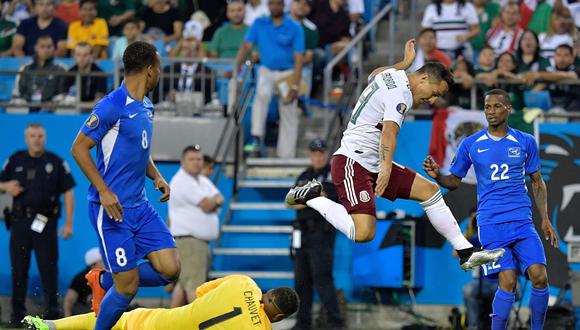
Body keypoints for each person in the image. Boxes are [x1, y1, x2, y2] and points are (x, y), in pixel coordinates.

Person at [286, 39, 504, 272]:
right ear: (422, 79)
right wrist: (386, 167)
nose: (431, 100)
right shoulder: (401, 94)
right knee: (363, 233)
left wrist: (405, 63)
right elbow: (389, 132)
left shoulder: (394, 75)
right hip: (353, 161)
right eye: (433, 93)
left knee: (429, 191)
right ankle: (312, 197)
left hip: (372, 160)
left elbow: (374, 74)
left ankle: (465, 252)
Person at [423, 88, 559, 330]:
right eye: (487, 107)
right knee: (508, 282)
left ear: (508, 108)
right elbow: (454, 181)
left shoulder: (525, 141)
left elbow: (537, 181)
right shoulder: (471, 144)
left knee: (540, 277)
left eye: (497, 106)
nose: (491, 111)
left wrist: (546, 218)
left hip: (522, 222)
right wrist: (439, 176)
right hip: (492, 224)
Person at [70, 41, 180, 330]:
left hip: (140, 207)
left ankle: (104, 279)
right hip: (112, 210)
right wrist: (104, 191)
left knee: (171, 270)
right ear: (149, 70)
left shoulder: (147, 106)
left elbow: (139, 150)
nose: (159, 74)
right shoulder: (111, 106)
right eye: (158, 68)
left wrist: (156, 175)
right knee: (128, 286)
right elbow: (79, 148)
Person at [0, 123, 75, 326]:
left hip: (46, 223)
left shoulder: (56, 162)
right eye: (32, 135)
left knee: (49, 270)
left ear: (45, 137)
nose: (36, 139)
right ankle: (17, 317)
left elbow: (68, 192)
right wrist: (5, 186)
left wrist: (68, 223)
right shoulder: (15, 160)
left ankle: (53, 316)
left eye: (40, 135)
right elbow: (0, 184)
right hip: (20, 223)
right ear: (26, 138)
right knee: (19, 270)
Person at [24, 274, 299, 330]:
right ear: (277, 318)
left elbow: (202, 291)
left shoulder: (244, 283)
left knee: (115, 320)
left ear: (269, 293)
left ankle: (49, 326)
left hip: (160, 322)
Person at [235, 0, 304, 158]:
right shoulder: (259, 23)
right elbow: (246, 45)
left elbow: (299, 57)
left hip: (287, 72)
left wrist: (295, 85)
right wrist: (235, 67)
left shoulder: (294, 26)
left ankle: (286, 155)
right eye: (272, 3)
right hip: (266, 70)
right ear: (268, 6)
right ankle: (256, 137)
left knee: (289, 112)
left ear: (283, 6)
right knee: (262, 94)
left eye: (278, 4)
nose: (275, 6)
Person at [287, 139, 344, 330]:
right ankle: (303, 323)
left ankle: (335, 323)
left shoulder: (332, 175)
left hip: (321, 234)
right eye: (314, 153)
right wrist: (311, 198)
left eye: (321, 153)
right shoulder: (305, 175)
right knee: (302, 281)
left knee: (323, 280)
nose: (317, 157)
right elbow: (289, 202)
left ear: (326, 154)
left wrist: (303, 198)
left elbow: (325, 197)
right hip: (302, 233)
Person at [168, 145, 224, 307]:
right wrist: (214, 202)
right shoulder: (182, 180)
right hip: (190, 242)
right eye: (191, 159)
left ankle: (172, 324)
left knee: (182, 286)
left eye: (199, 159)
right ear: (182, 162)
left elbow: (219, 198)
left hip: (196, 242)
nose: (196, 163)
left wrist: (215, 201)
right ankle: (203, 324)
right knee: (195, 289)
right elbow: (208, 204)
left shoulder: (202, 180)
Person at [459, 208, 498, 330]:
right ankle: (474, 327)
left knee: (506, 293)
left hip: (500, 281)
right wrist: (471, 229)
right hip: (480, 283)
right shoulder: (474, 237)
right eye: (475, 218)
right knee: (467, 290)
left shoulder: (495, 233)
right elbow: (457, 253)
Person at [14, 35, 66, 112]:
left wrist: (53, 102)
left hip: (51, 107)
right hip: (27, 105)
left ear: (53, 48)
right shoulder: (25, 68)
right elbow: (18, 91)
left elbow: (63, 92)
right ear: (36, 48)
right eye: (42, 46)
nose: (46, 50)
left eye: (49, 47)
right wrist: (27, 102)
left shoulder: (61, 68)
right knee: (14, 107)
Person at [522, 43, 580, 111]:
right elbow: (533, 93)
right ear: (554, 57)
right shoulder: (548, 71)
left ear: (572, 58)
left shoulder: (577, 70)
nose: (562, 59)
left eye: (566, 55)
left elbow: (570, 76)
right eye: (559, 55)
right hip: (550, 109)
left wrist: (540, 75)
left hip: (572, 109)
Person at [63, 247, 104, 317]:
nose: (106, 263)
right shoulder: (80, 278)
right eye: (102, 261)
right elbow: (69, 300)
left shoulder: (109, 275)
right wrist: (67, 317)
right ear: (93, 265)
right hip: (85, 312)